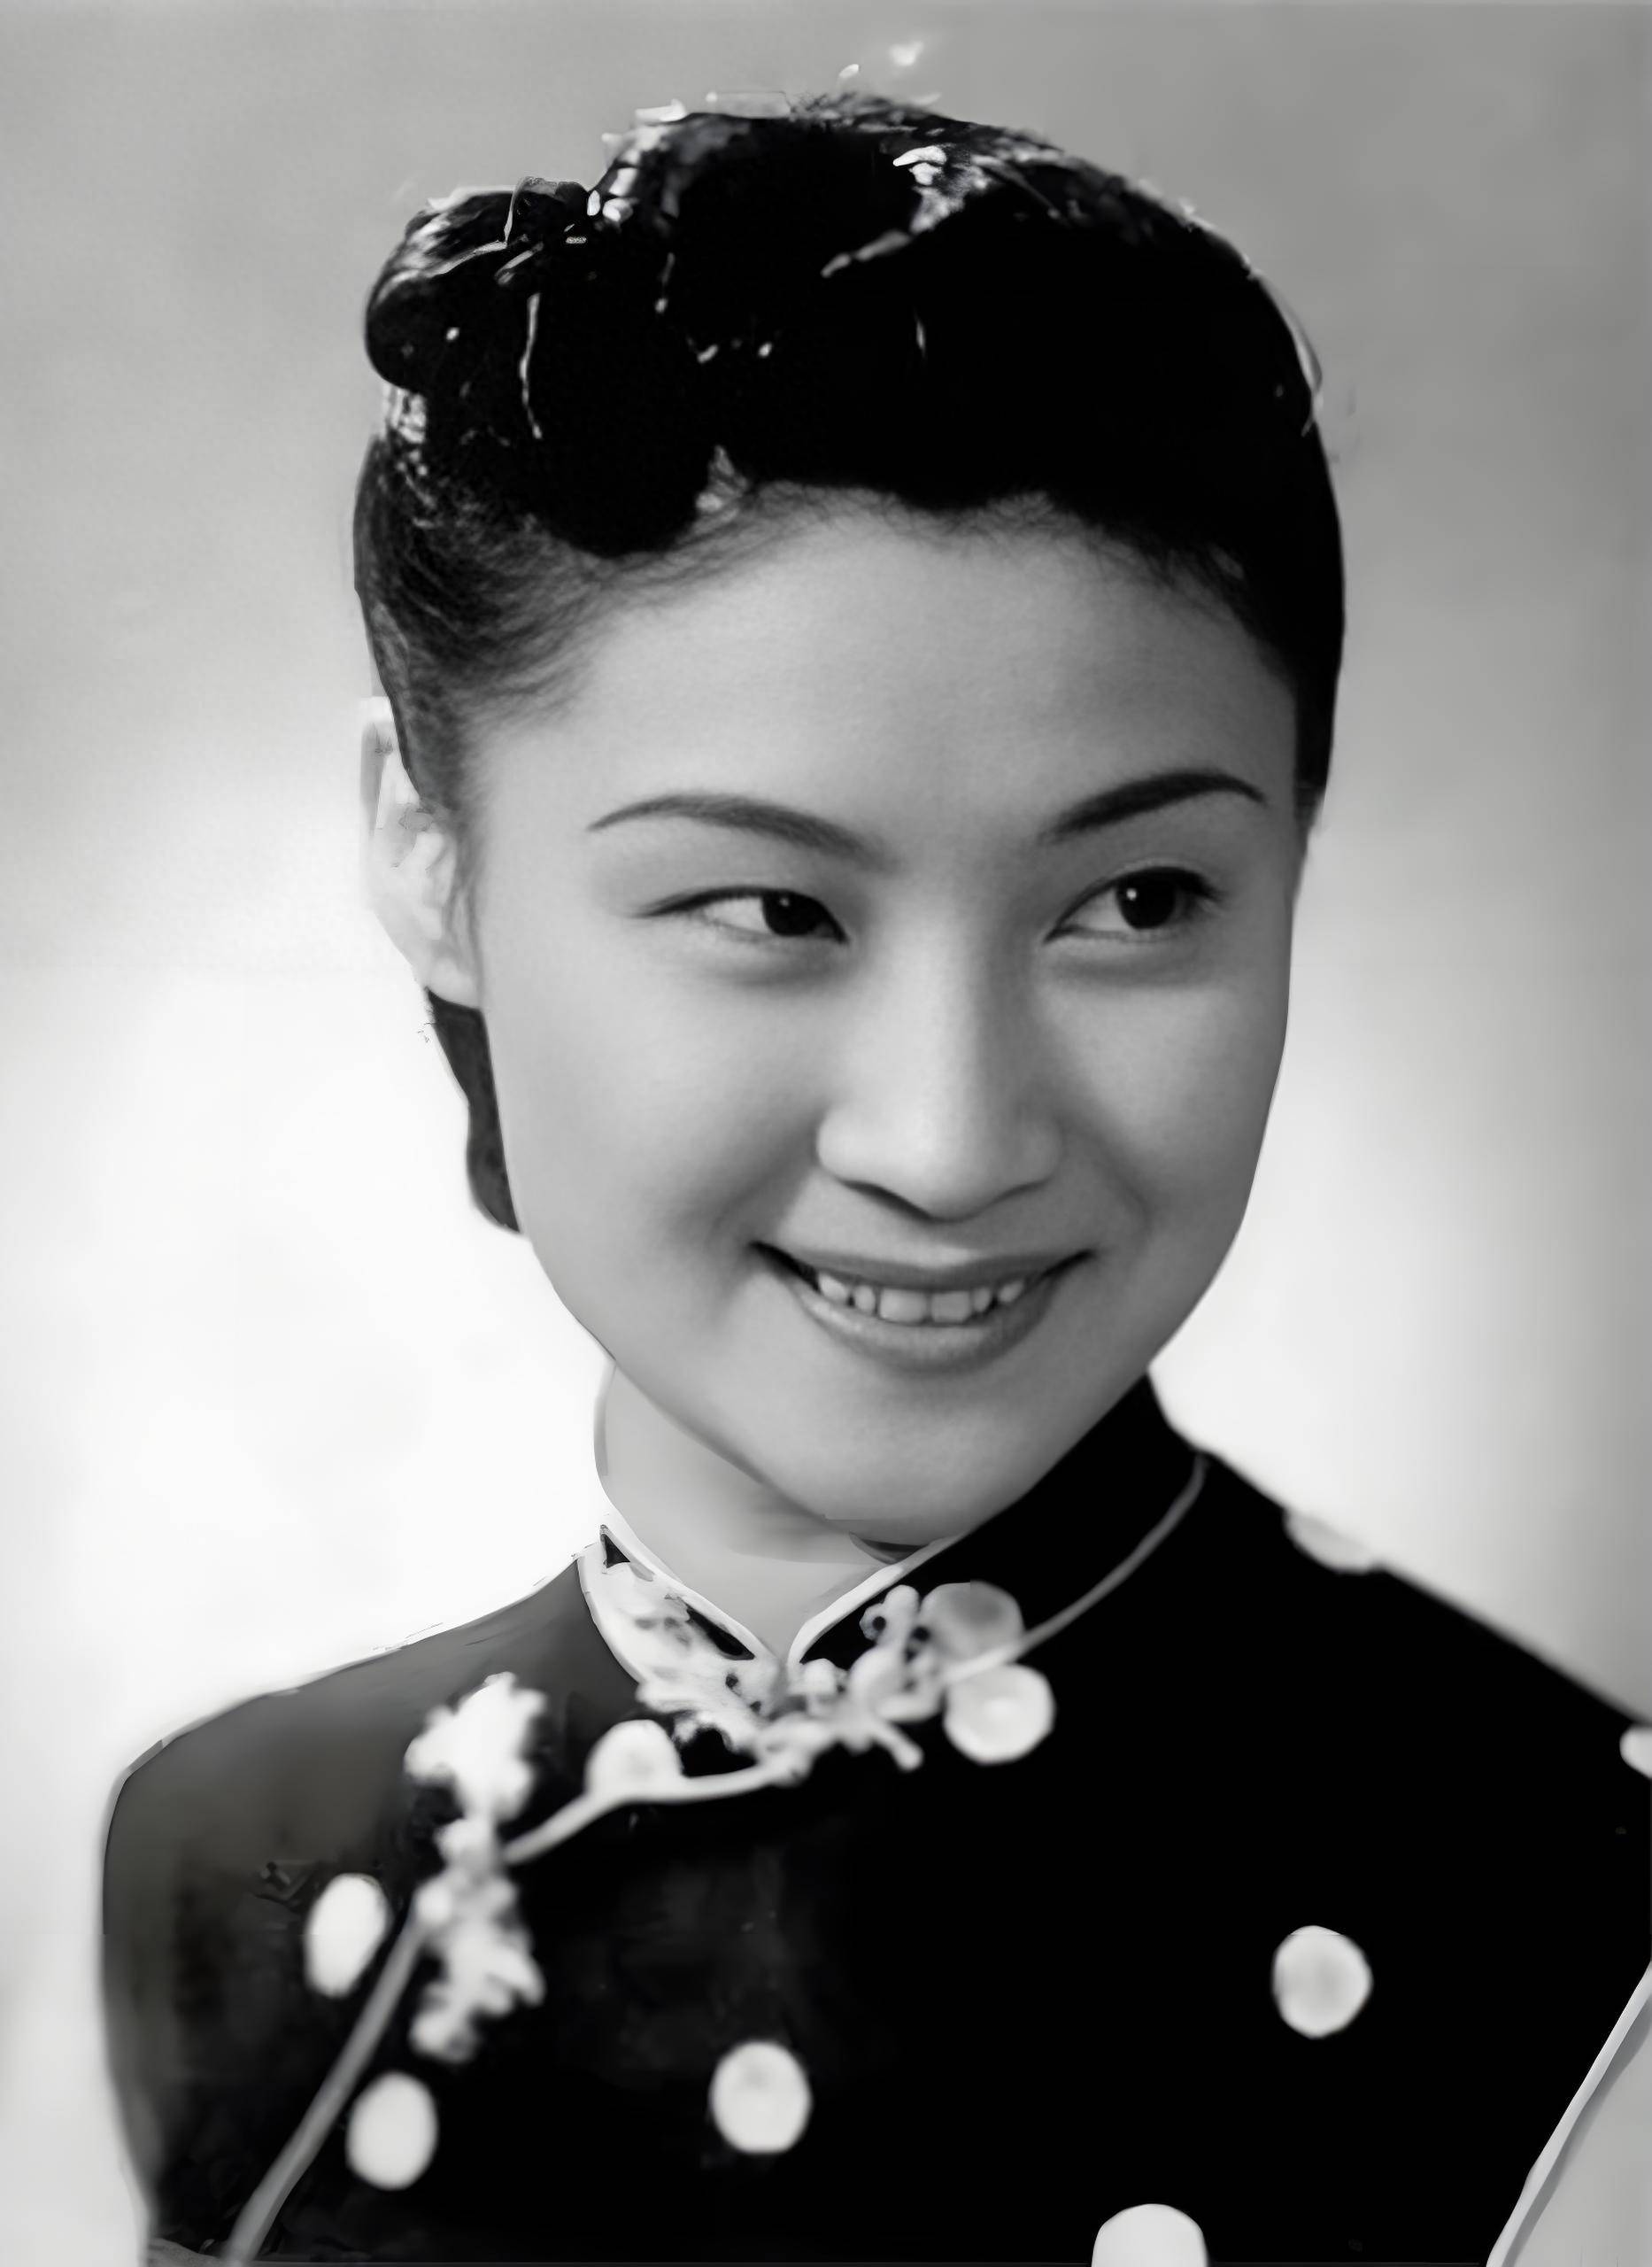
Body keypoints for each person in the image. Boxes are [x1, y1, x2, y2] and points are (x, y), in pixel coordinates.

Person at [99, 90, 1648, 2266]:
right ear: (431, 862)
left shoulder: (1590, 1930)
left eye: (1137, 901)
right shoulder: (225, 1862)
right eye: (774, 907)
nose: (950, 1141)